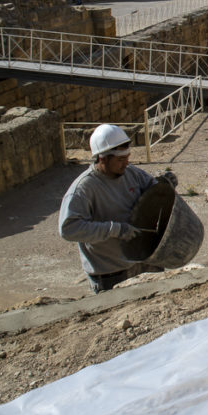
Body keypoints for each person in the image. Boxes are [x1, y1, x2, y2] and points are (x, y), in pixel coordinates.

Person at [59, 124, 168, 293]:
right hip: (111, 274)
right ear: (102, 159)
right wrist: (115, 229)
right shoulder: (84, 189)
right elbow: (68, 229)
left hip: (144, 263)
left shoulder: (131, 173)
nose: (126, 163)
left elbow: (152, 190)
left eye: (127, 157)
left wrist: (164, 185)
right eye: (120, 160)